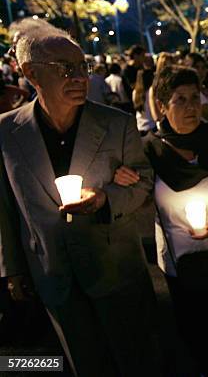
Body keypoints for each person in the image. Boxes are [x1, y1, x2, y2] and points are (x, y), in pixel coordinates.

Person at [0, 22, 160, 376]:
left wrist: (106, 198)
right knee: (83, 362)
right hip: (52, 271)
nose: (79, 77)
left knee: (136, 358)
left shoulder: (116, 124)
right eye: (64, 68)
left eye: (82, 67)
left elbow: (143, 181)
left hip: (114, 267)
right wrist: (12, 270)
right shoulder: (6, 132)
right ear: (31, 73)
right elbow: (6, 208)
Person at [114, 66, 208, 376]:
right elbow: (141, 198)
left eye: (195, 97)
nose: (191, 106)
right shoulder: (148, 150)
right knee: (192, 330)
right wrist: (126, 179)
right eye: (180, 99)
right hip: (178, 262)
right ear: (162, 106)